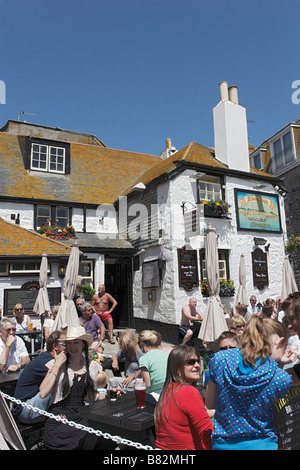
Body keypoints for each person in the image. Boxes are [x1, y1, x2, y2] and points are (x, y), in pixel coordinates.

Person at [205, 316, 295, 450]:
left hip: (224, 444)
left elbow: (210, 403)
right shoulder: (280, 378)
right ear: (279, 341)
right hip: (262, 444)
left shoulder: (219, 360)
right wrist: (280, 363)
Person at [39, 325, 100, 450]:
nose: (72, 347)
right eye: (69, 343)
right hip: (60, 415)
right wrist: (56, 365)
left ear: (83, 344)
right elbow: (43, 393)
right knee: (68, 437)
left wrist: (110, 393)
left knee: (97, 435)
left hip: (81, 414)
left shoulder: (91, 366)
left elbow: (93, 397)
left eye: (76, 342)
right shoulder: (58, 365)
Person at [154, 344, 213, 450]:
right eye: (190, 362)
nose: (197, 365)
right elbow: (206, 432)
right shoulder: (188, 392)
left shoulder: (167, 389)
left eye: (198, 361)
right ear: (178, 369)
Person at [12, 330, 67, 424]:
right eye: (65, 344)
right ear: (55, 346)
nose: (68, 347)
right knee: (55, 382)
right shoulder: (46, 362)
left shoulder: (46, 357)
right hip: (25, 410)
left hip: (30, 405)